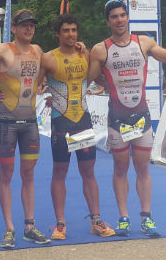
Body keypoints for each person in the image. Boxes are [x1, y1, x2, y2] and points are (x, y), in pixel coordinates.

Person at [87, 0, 166, 238]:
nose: (119, 20)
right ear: (108, 21)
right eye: (114, 17)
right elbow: (89, 77)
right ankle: (123, 217)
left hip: (141, 118)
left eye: (122, 15)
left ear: (128, 17)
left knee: (142, 168)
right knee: (120, 168)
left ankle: (147, 217)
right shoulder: (100, 49)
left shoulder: (144, 42)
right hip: (117, 118)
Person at [0, 9, 50, 248]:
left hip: (31, 124)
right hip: (7, 125)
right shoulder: (3, 49)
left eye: (32, 25)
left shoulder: (38, 51)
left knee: (29, 174)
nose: (29, 29)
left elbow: (56, 66)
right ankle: (9, 229)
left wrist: (79, 48)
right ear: (14, 28)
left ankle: (30, 227)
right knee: (6, 175)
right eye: (24, 25)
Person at [39, 14, 115, 240]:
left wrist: (89, 52)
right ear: (58, 34)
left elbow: (100, 80)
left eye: (73, 30)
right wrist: (43, 93)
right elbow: (34, 85)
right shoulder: (48, 58)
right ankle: (60, 223)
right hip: (61, 124)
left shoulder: (85, 55)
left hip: (82, 121)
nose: (70, 34)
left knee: (88, 172)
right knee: (59, 173)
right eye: (66, 30)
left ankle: (96, 221)